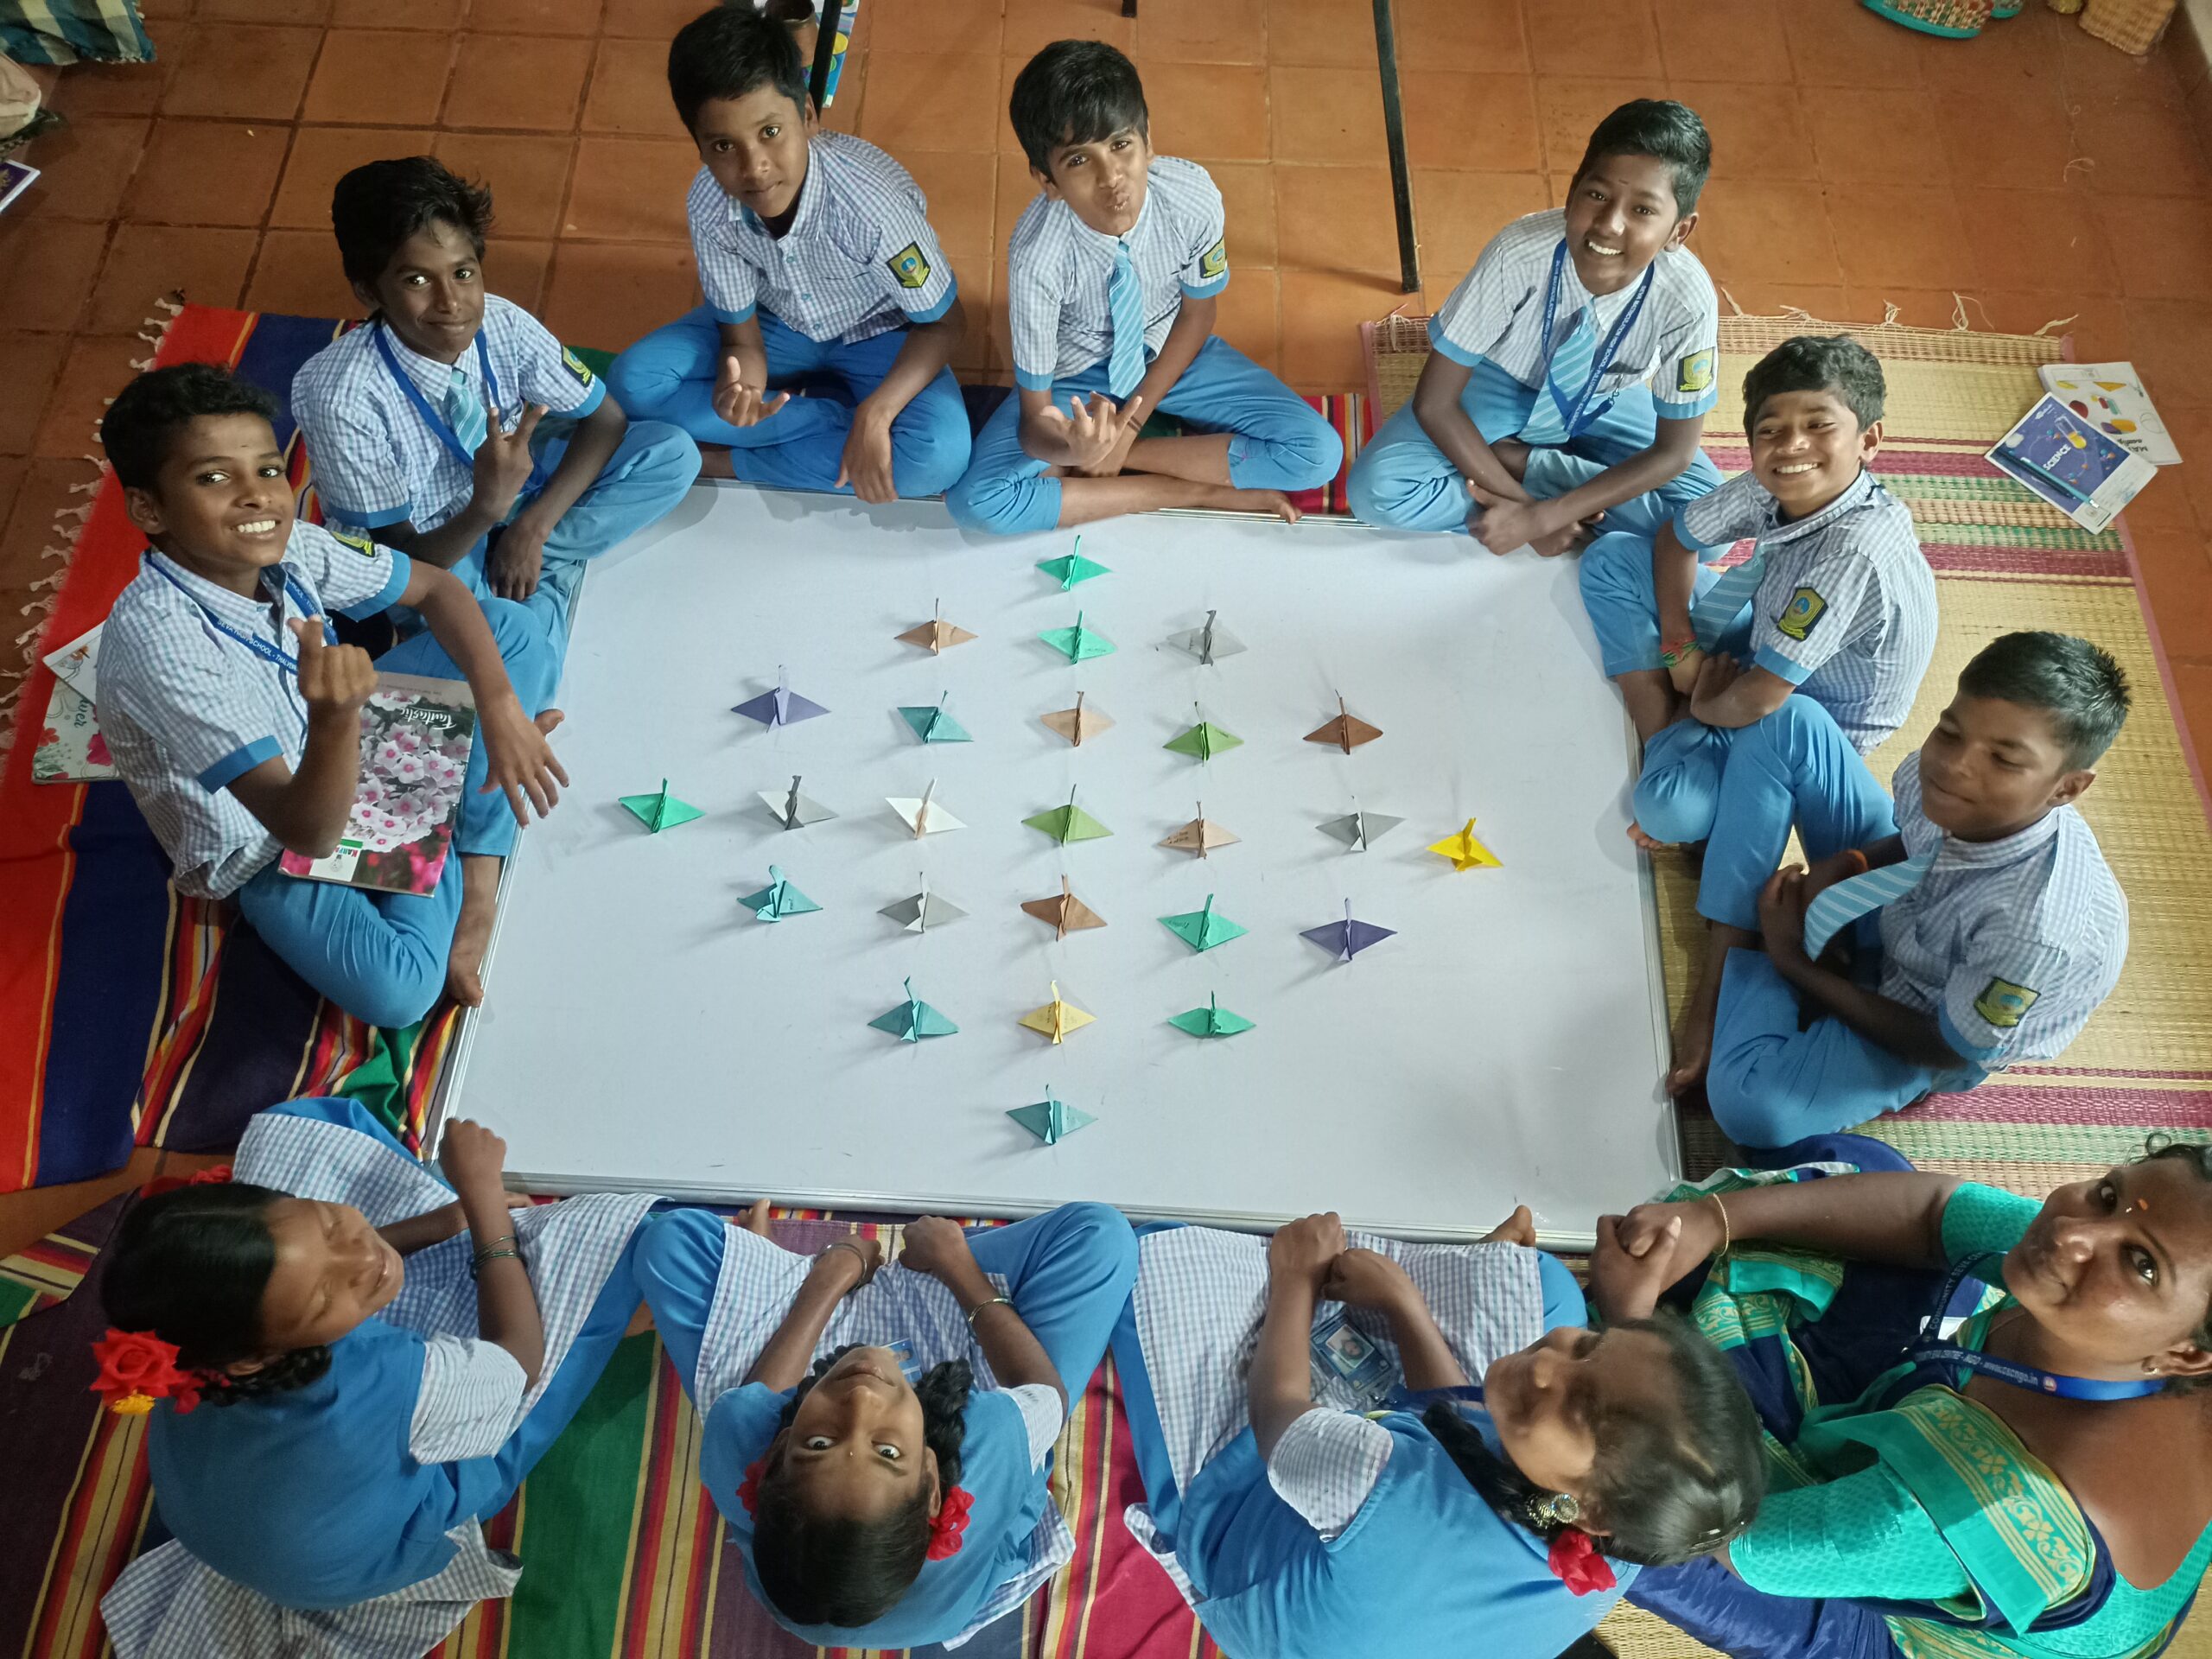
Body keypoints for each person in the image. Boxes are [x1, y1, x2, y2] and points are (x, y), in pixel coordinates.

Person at [1590, 1133, 2212, 1659]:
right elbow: (1935, 1214)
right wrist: (1715, 1219)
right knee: (1864, 1169)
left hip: (1896, 1625)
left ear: (2187, 1357)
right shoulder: (2113, 1289)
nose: (2072, 1232)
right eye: (2108, 1193)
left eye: (2142, 1264)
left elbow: (1740, 1540)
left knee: (1617, 1510)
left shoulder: (1997, 1511)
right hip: (1924, 1459)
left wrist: (1631, 1324)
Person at [93, 1097, 661, 1658]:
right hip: (361, 1561)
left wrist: (441, 1223)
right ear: (254, 1357)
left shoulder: (197, 1349)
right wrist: (483, 1201)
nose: (368, 1262)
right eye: (323, 1297)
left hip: (235, 1532)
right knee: (621, 1257)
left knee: (311, 1124)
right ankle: (621, 1313)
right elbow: (518, 1363)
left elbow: (321, 1271)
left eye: (331, 1225)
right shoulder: (378, 1376)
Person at [95, 363, 569, 1027]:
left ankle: (475, 872)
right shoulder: (164, 648)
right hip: (270, 836)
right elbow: (307, 832)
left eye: (267, 470)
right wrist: (339, 720)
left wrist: (499, 711)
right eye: (213, 478)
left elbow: (437, 588)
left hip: (348, 735)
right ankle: (445, 804)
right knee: (401, 992)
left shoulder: (289, 545)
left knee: (510, 631)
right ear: (149, 509)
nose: (257, 497)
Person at [1109, 1208, 1765, 1659]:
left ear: (1591, 1510)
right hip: (1393, 1526)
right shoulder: (1621, 1550)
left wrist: (1296, 1278)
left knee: (1160, 1248)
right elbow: (1460, 1433)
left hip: (1243, 1534)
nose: (1547, 1364)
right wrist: (1404, 1304)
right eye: (1590, 1344)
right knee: (1548, 1286)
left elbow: (1278, 1414)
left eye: (1583, 1407)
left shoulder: (1381, 1483)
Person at [1670, 631, 2130, 1146]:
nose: (1955, 766)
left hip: (1925, 1014)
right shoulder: (1944, 782)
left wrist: (1793, 961)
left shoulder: (2034, 932)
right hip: (1903, 902)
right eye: (1950, 732)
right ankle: (1726, 961)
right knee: (1788, 723)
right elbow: (1913, 841)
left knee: (1753, 1111)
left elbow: (1949, 1047)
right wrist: (1853, 863)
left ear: (2067, 787)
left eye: (2003, 760)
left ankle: (1766, 964)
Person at [632, 1199, 1138, 1648]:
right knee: (1102, 1235)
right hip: (962, 1570)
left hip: (803, 1568)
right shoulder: (989, 1441)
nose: (861, 1399)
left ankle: (766, 1280)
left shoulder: (740, 1444)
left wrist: (834, 1273)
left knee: (667, 1243)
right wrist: (955, 1265)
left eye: (820, 1442)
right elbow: (1045, 1394)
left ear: (777, 1450)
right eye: (888, 1452)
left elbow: (757, 1396)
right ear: (934, 1483)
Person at [292, 156, 700, 649]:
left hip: (513, 490)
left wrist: (533, 527)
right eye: (416, 281)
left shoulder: (502, 322)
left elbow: (605, 419)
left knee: (673, 454)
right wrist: (488, 508)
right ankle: (530, 584)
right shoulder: (339, 398)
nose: (451, 303)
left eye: (463, 272)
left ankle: (529, 565)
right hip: (432, 544)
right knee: (501, 634)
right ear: (368, 291)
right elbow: (402, 562)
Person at [945, 40, 1342, 535]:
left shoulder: (1193, 199)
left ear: (1148, 142)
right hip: (1078, 374)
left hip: (1171, 349)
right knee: (976, 503)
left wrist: (1126, 434)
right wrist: (1071, 446)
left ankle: (1122, 465)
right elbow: (1034, 422)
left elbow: (1198, 314)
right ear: (1046, 180)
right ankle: (1190, 490)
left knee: (1317, 454)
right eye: (1078, 161)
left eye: (1120, 145)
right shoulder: (1036, 257)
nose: (1111, 177)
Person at [1580, 334, 1936, 849]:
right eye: (1771, 430)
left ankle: (1678, 744)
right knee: (1612, 559)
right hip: (1764, 644)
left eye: (1819, 425)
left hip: (1797, 713)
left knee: (1667, 810)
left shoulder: (1853, 552)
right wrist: (1679, 648)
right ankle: (1675, 742)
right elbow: (1675, 539)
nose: (1791, 446)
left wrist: (1702, 704)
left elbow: (1764, 697)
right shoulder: (1772, 483)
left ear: (1869, 439)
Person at [606, 7, 971, 503]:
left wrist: (878, 412)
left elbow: (946, 323)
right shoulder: (708, 205)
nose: (753, 167)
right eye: (723, 146)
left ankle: (731, 462)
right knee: (632, 384)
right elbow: (742, 340)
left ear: (808, 117)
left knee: (938, 456)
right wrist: (744, 389)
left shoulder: (873, 208)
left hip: (880, 331)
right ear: (700, 149)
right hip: (778, 323)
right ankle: (826, 421)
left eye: (770, 132)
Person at [1346, 99, 1722, 552]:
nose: (1609, 225)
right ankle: (1545, 493)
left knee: (1709, 530)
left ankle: (1519, 460)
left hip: (1604, 398)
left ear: (1679, 231)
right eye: (1597, 195)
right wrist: (1527, 514)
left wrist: (1545, 515)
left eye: (1643, 211)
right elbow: (1435, 403)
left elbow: (1674, 452)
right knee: (1376, 490)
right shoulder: (1518, 252)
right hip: (1503, 381)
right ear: (1572, 191)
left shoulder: (1687, 299)